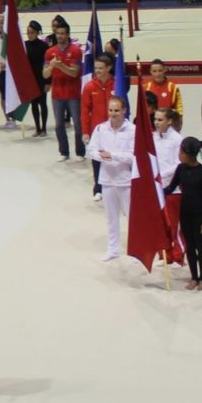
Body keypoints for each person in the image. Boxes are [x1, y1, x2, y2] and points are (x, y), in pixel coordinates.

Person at [86, 96, 137, 260]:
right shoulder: (101, 129)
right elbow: (92, 150)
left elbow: (134, 156)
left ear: (124, 111)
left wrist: (113, 155)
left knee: (132, 218)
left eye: (116, 110)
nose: (113, 114)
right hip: (107, 179)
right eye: (110, 110)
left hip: (126, 179)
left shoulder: (133, 130)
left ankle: (136, 251)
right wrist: (102, 157)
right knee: (111, 217)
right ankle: (113, 249)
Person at [167, 138, 202, 289]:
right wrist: (156, 192)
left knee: (201, 246)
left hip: (199, 214)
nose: (179, 155)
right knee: (190, 247)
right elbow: (171, 188)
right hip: (185, 213)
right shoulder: (181, 169)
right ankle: (194, 276)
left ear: (190, 154)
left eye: (181, 152)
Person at [49, 21, 87, 168]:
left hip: (73, 93)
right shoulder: (50, 52)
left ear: (68, 35)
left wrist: (60, 66)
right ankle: (64, 152)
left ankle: (80, 152)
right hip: (57, 94)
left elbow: (75, 72)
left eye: (63, 33)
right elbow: (45, 74)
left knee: (78, 124)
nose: (60, 36)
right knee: (59, 124)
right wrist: (52, 66)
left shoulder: (76, 50)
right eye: (58, 33)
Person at [22, 21, 50, 137]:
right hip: (30, 79)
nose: (30, 35)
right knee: (33, 104)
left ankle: (44, 128)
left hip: (41, 78)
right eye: (28, 33)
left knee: (42, 104)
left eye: (32, 32)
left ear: (37, 33)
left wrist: (48, 82)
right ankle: (37, 128)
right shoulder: (24, 45)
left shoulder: (44, 46)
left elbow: (47, 64)